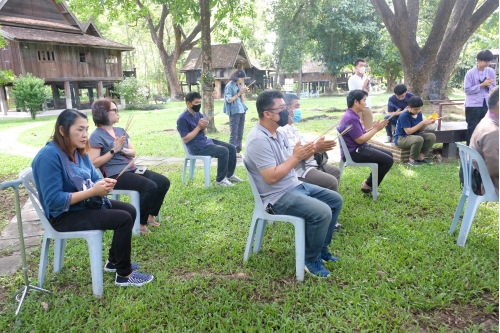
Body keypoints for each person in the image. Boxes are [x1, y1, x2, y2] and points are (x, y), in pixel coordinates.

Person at [31, 109, 153, 287]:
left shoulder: (78, 151)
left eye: (86, 129)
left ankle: (114, 261)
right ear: (62, 130)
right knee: (123, 219)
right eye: (79, 130)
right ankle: (124, 275)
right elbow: (53, 201)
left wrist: (104, 183)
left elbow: (94, 178)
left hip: (83, 205)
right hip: (62, 216)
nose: (85, 135)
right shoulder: (49, 156)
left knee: (130, 209)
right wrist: (92, 192)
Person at [244, 90, 343, 278]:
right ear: (267, 114)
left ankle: (321, 249)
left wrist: (305, 153)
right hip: (276, 197)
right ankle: (310, 259)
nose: (287, 113)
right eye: (281, 109)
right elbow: (272, 178)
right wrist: (297, 156)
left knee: (335, 200)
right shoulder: (258, 140)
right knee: (322, 212)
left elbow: (289, 165)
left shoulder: (278, 133)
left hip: (293, 185)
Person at [89, 98, 170, 236]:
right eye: (114, 110)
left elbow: (133, 152)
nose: (117, 112)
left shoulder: (120, 131)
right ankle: (140, 223)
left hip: (131, 168)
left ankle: (151, 215)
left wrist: (122, 149)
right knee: (150, 186)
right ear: (103, 113)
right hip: (115, 175)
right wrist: (113, 150)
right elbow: (94, 162)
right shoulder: (96, 136)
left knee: (163, 182)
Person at [177, 92, 243, 187]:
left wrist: (204, 127)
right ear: (188, 103)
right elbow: (185, 139)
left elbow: (204, 133)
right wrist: (199, 127)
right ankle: (220, 181)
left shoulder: (198, 114)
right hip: (195, 147)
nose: (199, 105)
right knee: (223, 151)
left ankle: (229, 175)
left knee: (231, 147)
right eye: (196, 102)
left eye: (200, 102)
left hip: (204, 141)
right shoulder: (182, 119)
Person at [282, 93, 341, 192]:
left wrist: (317, 145)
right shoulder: (282, 130)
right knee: (331, 182)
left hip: (311, 163)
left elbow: (306, 145)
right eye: (296, 107)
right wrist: (316, 148)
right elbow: (296, 159)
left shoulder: (292, 127)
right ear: (287, 109)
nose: (298, 110)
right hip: (300, 170)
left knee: (335, 172)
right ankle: (326, 205)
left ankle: (325, 201)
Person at [338, 90, 393, 194]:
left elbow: (361, 133)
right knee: (388, 160)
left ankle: (368, 183)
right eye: (364, 100)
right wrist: (375, 130)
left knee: (389, 154)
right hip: (353, 152)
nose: (366, 103)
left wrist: (376, 127)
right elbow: (360, 140)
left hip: (358, 148)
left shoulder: (353, 115)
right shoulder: (350, 118)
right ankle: (368, 185)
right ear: (356, 102)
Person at [470, 86, 499, 194]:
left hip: (482, 178)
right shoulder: (493, 131)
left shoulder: (487, 120)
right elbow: (495, 169)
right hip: (489, 184)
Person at [464, 49, 497, 146]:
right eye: (485, 61)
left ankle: (482, 149)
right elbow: (467, 90)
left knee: (486, 127)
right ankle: (469, 150)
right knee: (472, 127)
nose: (488, 63)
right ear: (479, 60)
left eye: (489, 61)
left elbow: (494, 87)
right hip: (473, 104)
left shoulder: (490, 71)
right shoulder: (470, 73)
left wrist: (488, 85)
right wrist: (482, 84)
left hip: (486, 103)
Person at [393, 96, 437, 166]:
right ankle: (411, 160)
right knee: (419, 139)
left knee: (431, 136)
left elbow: (420, 130)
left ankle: (421, 157)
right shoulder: (404, 116)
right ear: (409, 107)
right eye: (415, 109)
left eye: (419, 109)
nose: (418, 111)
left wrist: (426, 124)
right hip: (401, 138)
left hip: (414, 136)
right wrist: (422, 123)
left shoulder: (419, 114)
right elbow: (408, 132)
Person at [223, 70, 248, 158]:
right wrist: (239, 93)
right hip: (234, 111)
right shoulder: (229, 86)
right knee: (234, 133)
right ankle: (231, 151)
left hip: (241, 110)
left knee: (240, 132)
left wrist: (242, 93)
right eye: (241, 78)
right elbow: (229, 100)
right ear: (236, 77)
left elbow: (242, 101)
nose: (242, 80)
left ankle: (237, 151)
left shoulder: (239, 85)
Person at [348, 58, 373, 129]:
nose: (363, 68)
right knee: (357, 127)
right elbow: (352, 93)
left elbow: (370, 92)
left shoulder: (366, 78)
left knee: (369, 127)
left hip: (367, 105)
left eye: (364, 66)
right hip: (357, 106)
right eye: (361, 65)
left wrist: (367, 88)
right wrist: (363, 87)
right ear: (356, 67)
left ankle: (368, 139)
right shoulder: (352, 79)